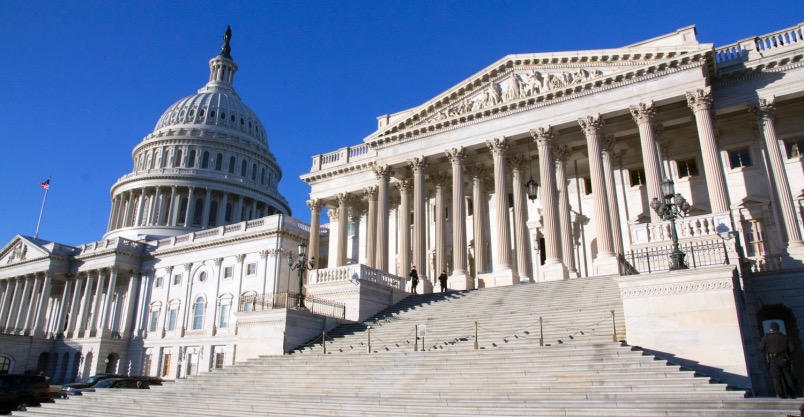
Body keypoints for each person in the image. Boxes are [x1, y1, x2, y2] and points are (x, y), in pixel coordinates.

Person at [761, 322, 797, 398]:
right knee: (787, 376)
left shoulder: (766, 338)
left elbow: (762, 348)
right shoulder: (785, 337)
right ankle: (791, 393)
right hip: (784, 358)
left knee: (776, 377)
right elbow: (793, 349)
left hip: (773, 359)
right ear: (778, 328)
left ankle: (780, 394)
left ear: (770, 329)